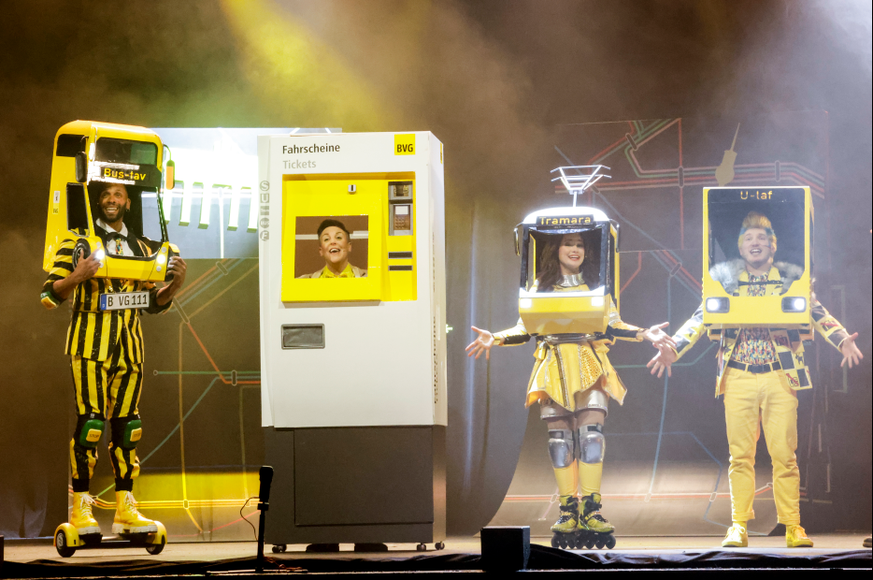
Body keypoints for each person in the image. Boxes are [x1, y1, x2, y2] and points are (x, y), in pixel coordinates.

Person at [647, 211, 863, 548]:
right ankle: (738, 525)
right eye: (749, 238)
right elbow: (701, 316)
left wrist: (841, 339)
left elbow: (816, 311)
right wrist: (673, 348)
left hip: (781, 375)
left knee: (784, 455)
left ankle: (793, 525)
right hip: (738, 375)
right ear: (741, 247)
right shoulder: (725, 282)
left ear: (772, 246)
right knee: (740, 456)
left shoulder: (790, 280)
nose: (755, 242)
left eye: (762, 237)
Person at [467, 232, 674, 545]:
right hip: (552, 365)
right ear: (556, 249)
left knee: (592, 437)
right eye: (568, 244)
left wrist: (646, 334)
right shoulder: (539, 286)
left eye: (579, 244)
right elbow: (525, 329)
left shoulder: (595, 284)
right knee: (560, 441)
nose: (574, 249)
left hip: (589, 362)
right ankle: (567, 510)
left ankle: (592, 509)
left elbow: (614, 324)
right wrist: (494, 338)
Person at [40, 181, 188, 536]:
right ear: (97, 199)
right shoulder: (77, 241)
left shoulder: (142, 247)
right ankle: (81, 509)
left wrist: (175, 286)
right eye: (105, 193)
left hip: (130, 349)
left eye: (118, 194)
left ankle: (125, 508)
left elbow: (152, 303)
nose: (111, 199)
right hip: (89, 347)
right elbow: (48, 295)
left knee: (129, 428)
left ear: (128, 202)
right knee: (91, 425)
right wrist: (78, 276)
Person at [298, 219, 367, 278]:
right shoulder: (302, 282)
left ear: (349, 246)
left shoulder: (370, 278)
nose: (333, 242)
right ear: (321, 250)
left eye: (338, 237)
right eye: (326, 239)